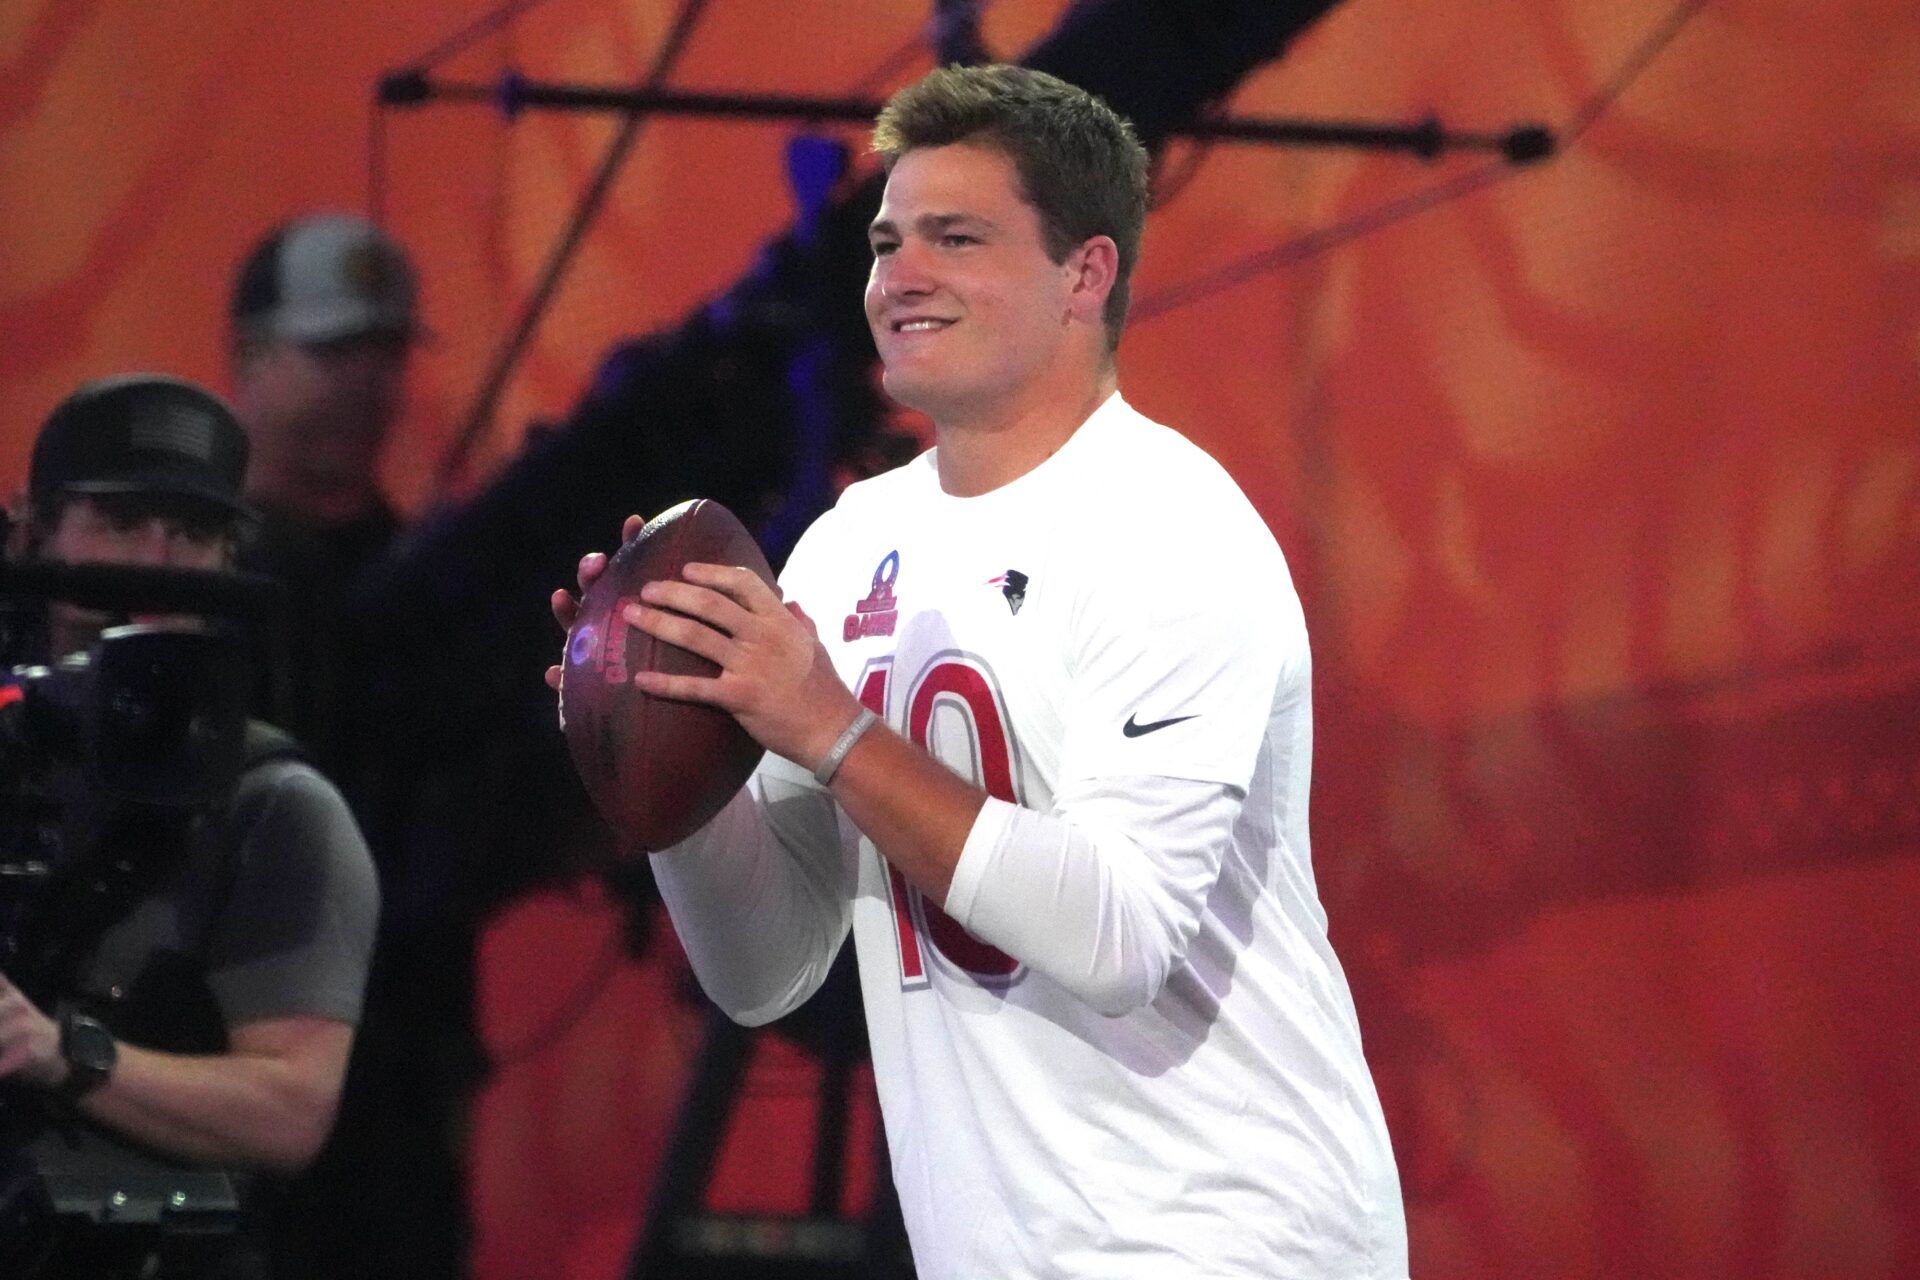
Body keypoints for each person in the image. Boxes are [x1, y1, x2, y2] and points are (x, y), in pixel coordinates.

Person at [553, 64, 1407, 1277]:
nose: (899, 276)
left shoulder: (1171, 526)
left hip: (1226, 1235)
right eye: (887, 240)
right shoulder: (849, 547)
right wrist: (661, 752)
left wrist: (835, 731)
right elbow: (766, 968)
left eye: (957, 238)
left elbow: (1121, 938)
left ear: (1086, 274)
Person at [0, 374, 380, 1272]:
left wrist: (62, 1055)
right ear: (35, 533)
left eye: (193, 533)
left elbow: (293, 1110)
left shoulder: (275, 809)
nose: (156, 567)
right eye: (122, 524)